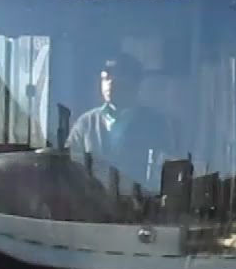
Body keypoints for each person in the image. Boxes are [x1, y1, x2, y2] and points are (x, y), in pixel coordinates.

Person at [66, 54, 175, 187]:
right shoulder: (86, 123)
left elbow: (166, 170)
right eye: (106, 78)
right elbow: (68, 165)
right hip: (91, 203)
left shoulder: (155, 124)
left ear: (136, 82)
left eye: (119, 76)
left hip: (141, 202)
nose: (110, 82)